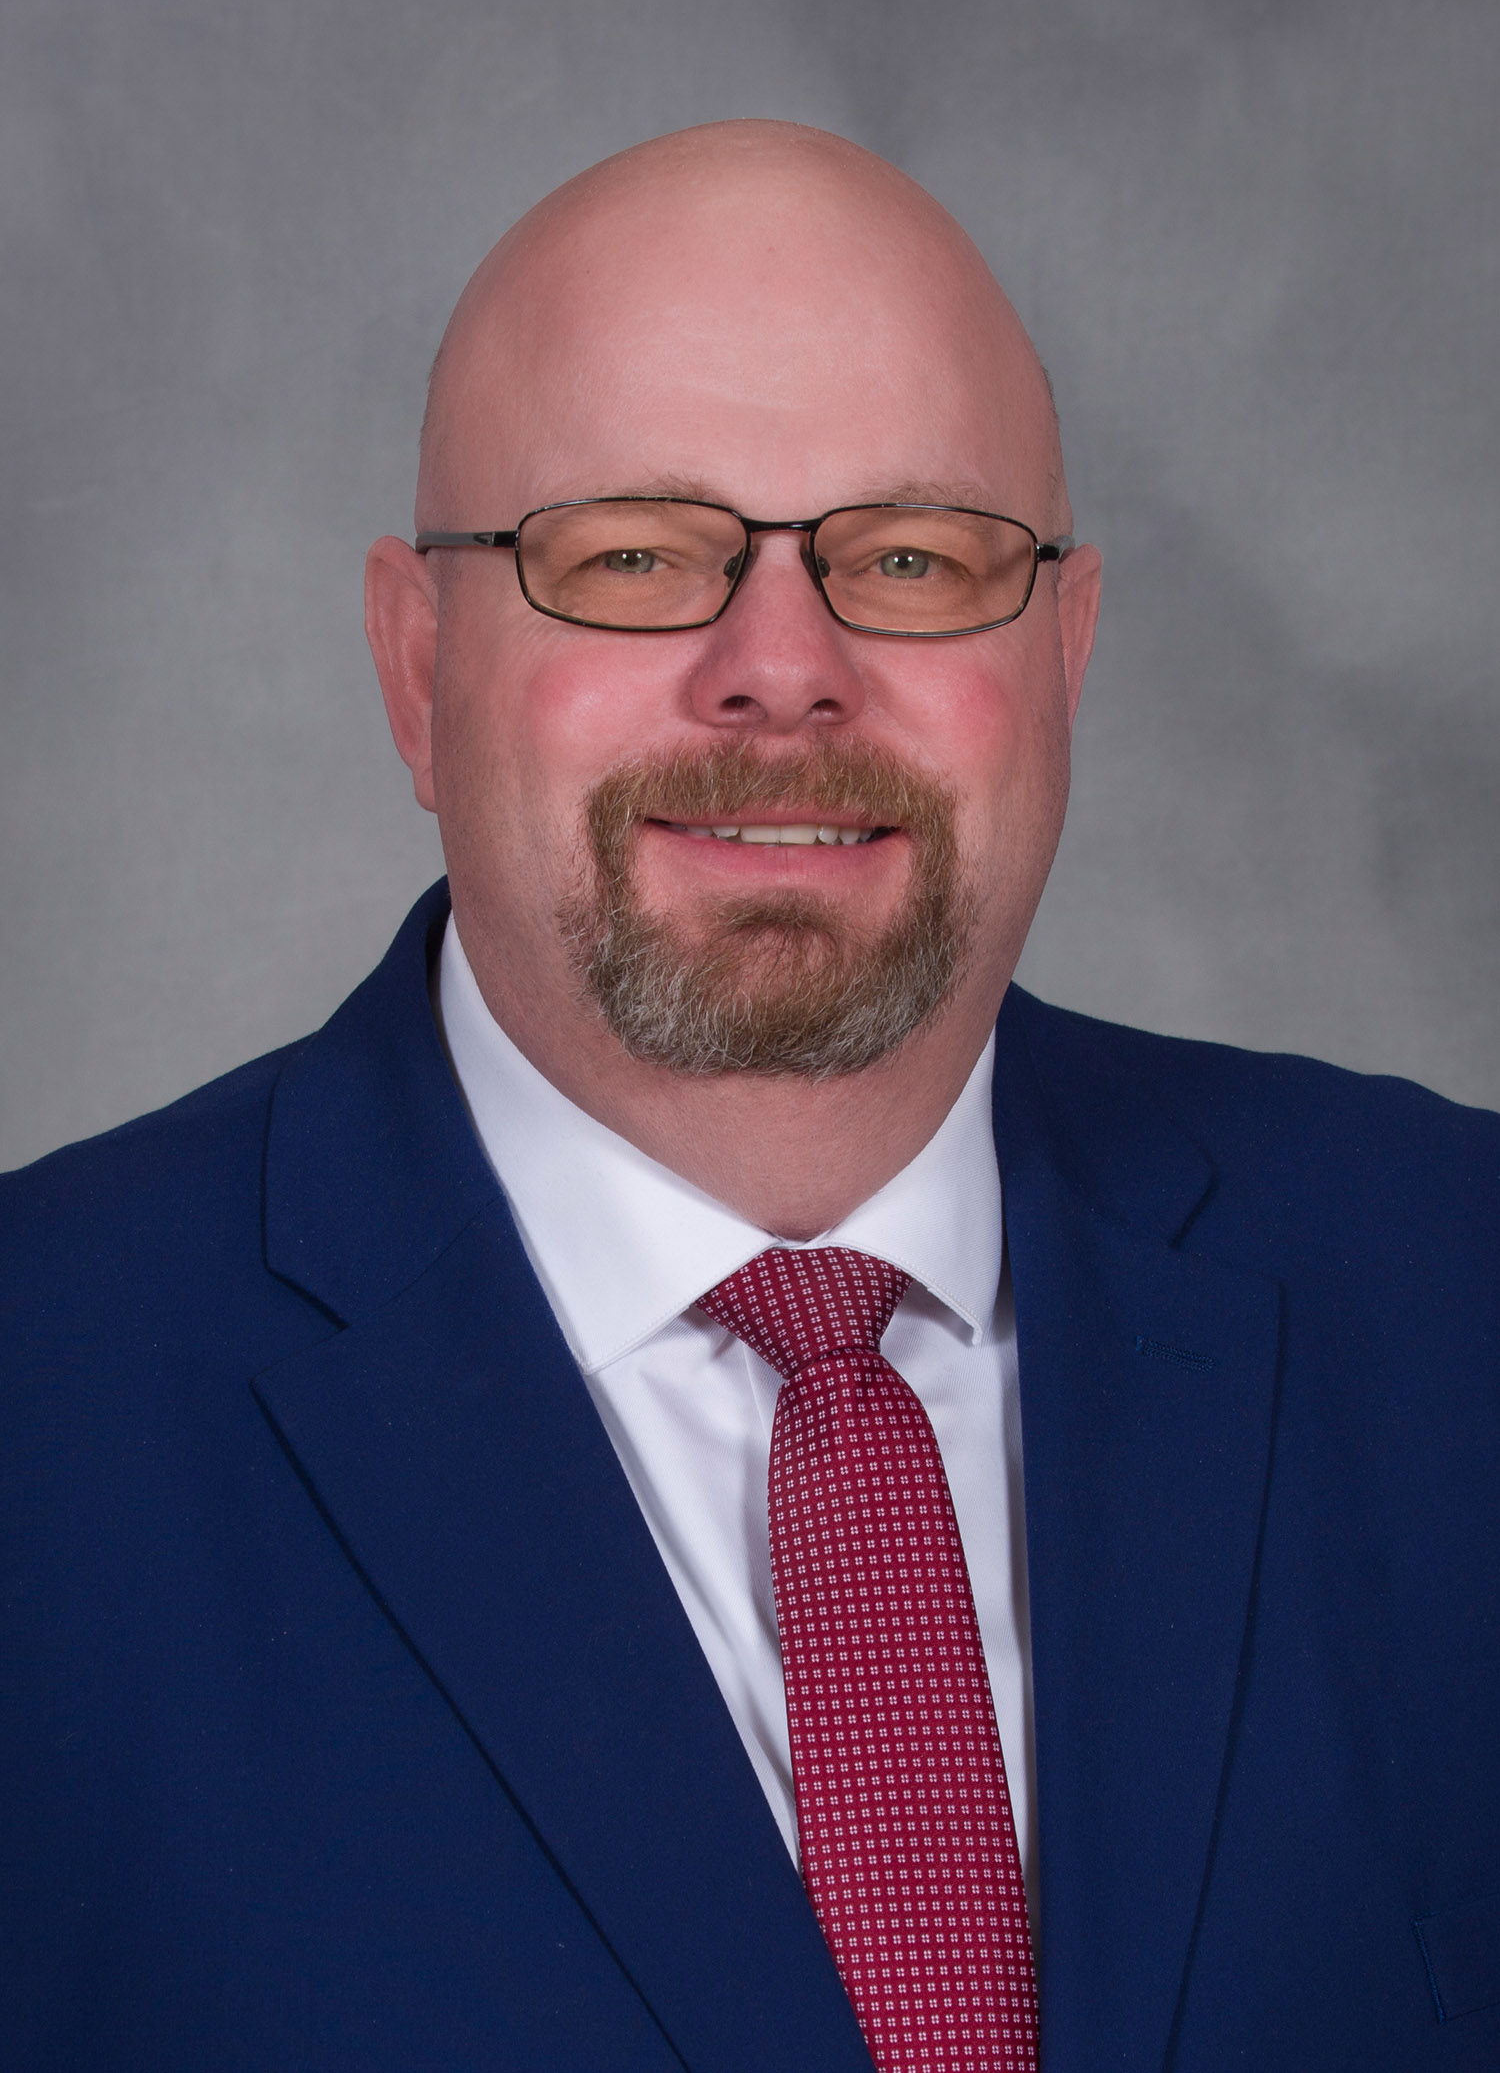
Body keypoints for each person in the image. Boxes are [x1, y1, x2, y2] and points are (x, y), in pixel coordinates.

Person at [3, 120, 1498, 2073]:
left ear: (1065, 652)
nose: (783, 672)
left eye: (912, 558)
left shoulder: (1456, 1291)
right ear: (417, 664)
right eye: (631, 555)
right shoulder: (42, 1410)